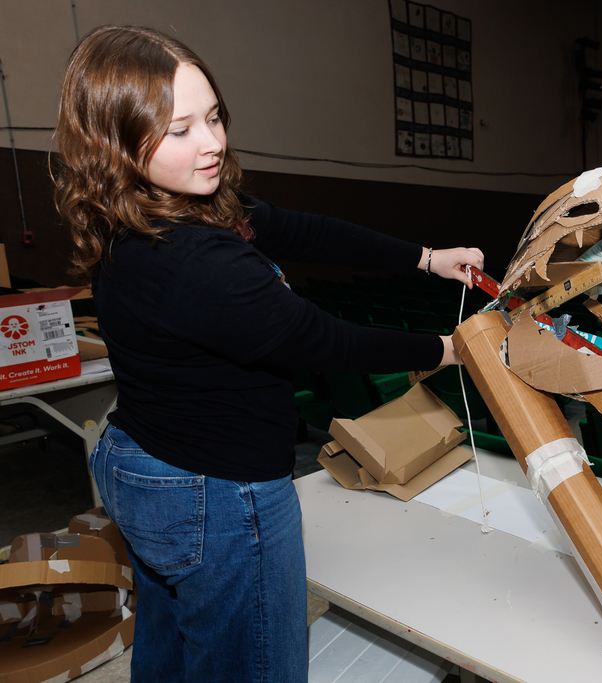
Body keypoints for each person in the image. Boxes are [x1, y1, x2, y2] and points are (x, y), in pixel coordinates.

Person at [53, 25, 484, 683]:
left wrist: (424, 258)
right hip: (216, 493)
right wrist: (449, 349)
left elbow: (302, 229)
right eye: (179, 130)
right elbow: (322, 339)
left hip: (140, 457)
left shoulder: (147, 205)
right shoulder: (196, 260)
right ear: (115, 142)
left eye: (215, 116)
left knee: (171, 651)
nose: (213, 143)